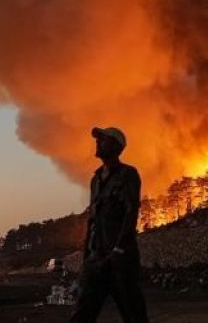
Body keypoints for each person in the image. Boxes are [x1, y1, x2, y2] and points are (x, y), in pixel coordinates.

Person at [68, 127, 149, 323]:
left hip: (120, 261)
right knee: (81, 315)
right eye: (98, 139)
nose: (98, 142)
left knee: (134, 315)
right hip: (96, 260)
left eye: (103, 139)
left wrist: (119, 250)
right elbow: (92, 219)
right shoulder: (95, 180)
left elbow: (131, 213)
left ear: (116, 146)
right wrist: (87, 257)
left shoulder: (128, 174)